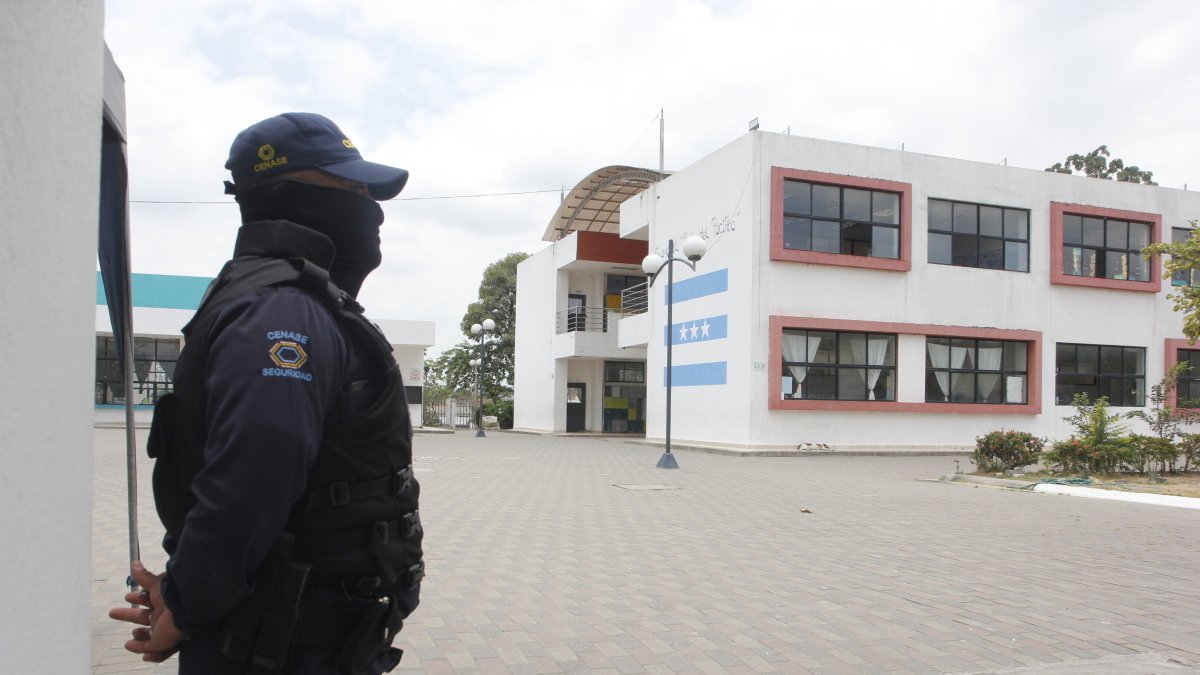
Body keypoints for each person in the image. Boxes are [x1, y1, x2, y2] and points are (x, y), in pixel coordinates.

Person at [110, 112, 424, 674]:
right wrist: (183, 609)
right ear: (291, 193)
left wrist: (186, 593)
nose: (370, 207)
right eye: (352, 187)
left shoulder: (297, 301)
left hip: (299, 638)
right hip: (279, 645)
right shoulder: (282, 309)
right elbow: (250, 478)